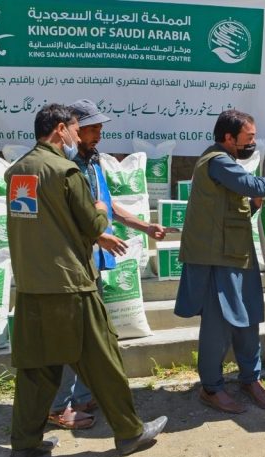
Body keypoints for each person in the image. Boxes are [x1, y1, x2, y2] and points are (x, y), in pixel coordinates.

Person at [6, 103, 166, 457]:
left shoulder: (18, 171)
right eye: (76, 131)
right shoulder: (65, 171)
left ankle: (25, 445)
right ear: (61, 129)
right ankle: (130, 433)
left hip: (32, 286)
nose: (79, 138)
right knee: (103, 360)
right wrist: (100, 209)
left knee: (37, 369)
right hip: (70, 285)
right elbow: (94, 225)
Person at [46, 99, 169, 430]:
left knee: (94, 333)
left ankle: (83, 394)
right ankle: (57, 406)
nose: (98, 134)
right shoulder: (61, 167)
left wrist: (144, 226)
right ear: (73, 130)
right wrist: (99, 235)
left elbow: (106, 205)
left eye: (100, 128)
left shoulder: (92, 162)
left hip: (93, 263)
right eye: (92, 129)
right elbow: (71, 213)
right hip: (71, 264)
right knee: (71, 336)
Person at [175, 109, 265, 414]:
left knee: (249, 320)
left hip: (237, 254)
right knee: (217, 326)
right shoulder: (216, 161)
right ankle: (211, 387)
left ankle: (250, 378)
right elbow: (253, 186)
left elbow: (238, 208)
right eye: (248, 138)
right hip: (216, 258)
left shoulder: (227, 164)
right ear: (229, 138)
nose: (252, 143)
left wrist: (256, 205)